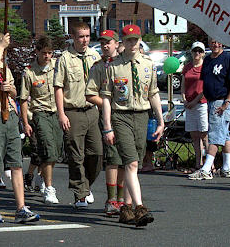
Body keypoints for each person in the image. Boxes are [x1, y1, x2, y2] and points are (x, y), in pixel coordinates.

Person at [98, 24, 164, 227]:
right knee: (132, 163)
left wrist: (161, 121)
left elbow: (153, 93)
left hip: (142, 116)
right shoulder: (114, 66)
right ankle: (139, 207)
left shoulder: (148, 64)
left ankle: (125, 208)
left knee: (131, 165)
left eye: (136, 40)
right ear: (122, 43)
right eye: (128, 40)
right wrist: (107, 126)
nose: (132, 44)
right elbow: (107, 98)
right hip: (121, 116)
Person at [0, 30, 39, 224]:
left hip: (10, 116)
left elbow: (12, 91)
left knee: (16, 164)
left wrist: (11, 90)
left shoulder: (5, 67)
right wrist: (1, 48)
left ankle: (21, 207)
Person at [53, 21, 102, 209]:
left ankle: (85, 185)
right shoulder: (64, 58)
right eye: (81, 36)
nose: (85, 40)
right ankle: (80, 194)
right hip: (73, 111)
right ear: (73, 37)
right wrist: (61, 114)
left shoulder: (94, 55)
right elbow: (58, 88)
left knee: (96, 153)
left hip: (92, 111)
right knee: (76, 155)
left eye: (87, 36)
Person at [86, 30, 126, 216]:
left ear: (117, 43)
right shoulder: (98, 67)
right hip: (109, 117)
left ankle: (122, 198)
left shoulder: (126, 63)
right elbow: (90, 93)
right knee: (112, 158)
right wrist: (108, 104)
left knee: (126, 159)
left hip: (128, 115)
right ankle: (111, 200)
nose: (105, 45)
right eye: (102, 43)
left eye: (108, 42)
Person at [189, 37, 230, 180]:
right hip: (211, 101)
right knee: (224, 136)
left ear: (222, 42)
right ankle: (226, 168)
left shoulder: (228, 58)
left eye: (218, 41)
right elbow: (205, 84)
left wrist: (227, 102)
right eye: (212, 42)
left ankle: (206, 169)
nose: (215, 44)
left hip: (221, 101)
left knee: (215, 136)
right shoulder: (208, 61)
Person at [19, 36, 62, 205]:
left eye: (50, 53)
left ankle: (41, 177)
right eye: (44, 53)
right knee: (48, 150)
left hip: (57, 113)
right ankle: (49, 188)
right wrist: (26, 123)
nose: (47, 56)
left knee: (56, 151)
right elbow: (23, 99)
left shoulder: (57, 67)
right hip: (40, 113)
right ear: (37, 51)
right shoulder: (29, 72)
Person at [182, 42, 208, 170]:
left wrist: (195, 101)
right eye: (195, 51)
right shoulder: (187, 67)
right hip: (189, 105)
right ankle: (198, 162)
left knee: (204, 134)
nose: (197, 53)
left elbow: (205, 88)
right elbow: (183, 84)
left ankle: (209, 163)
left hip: (201, 103)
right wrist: (184, 99)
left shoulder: (205, 67)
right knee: (194, 135)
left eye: (200, 51)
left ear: (203, 53)